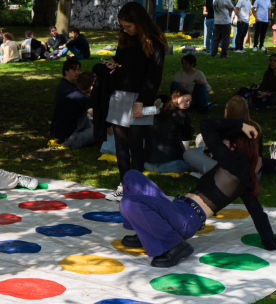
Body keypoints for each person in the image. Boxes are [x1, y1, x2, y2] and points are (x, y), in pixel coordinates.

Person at [120, 118, 276, 268]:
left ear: (236, 145)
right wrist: (271, 242)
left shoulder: (234, 165)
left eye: (226, 142)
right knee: (132, 177)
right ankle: (145, 232)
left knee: (129, 203)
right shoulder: (239, 169)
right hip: (178, 209)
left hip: (185, 219)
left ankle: (174, 245)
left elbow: (206, 124)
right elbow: (259, 215)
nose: (221, 145)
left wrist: (241, 125)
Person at [92, 2, 167, 201]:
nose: (124, 30)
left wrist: (141, 102)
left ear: (140, 22)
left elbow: (154, 76)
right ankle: (124, 184)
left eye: (128, 26)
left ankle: (137, 184)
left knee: (135, 143)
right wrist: (112, 67)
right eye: (122, 27)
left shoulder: (155, 43)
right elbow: (121, 66)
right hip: (119, 95)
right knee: (120, 144)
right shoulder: (125, 39)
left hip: (140, 98)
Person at [185, 96, 262, 174]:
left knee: (189, 154)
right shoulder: (255, 128)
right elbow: (259, 154)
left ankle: (200, 149)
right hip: (252, 170)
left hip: (225, 171)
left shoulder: (225, 130)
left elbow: (218, 153)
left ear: (229, 110)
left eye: (226, 108)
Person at [146, 89, 194, 174]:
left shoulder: (156, 112)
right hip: (172, 165)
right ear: (177, 97)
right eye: (186, 100)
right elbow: (187, 136)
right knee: (199, 152)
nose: (188, 104)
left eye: (190, 102)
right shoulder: (182, 114)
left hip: (148, 165)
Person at [50, 59, 95, 148]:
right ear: (66, 71)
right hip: (70, 138)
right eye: (74, 70)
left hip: (60, 132)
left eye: (78, 70)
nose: (77, 72)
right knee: (102, 130)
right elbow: (94, 113)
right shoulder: (75, 93)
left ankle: (90, 134)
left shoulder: (65, 85)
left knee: (84, 116)